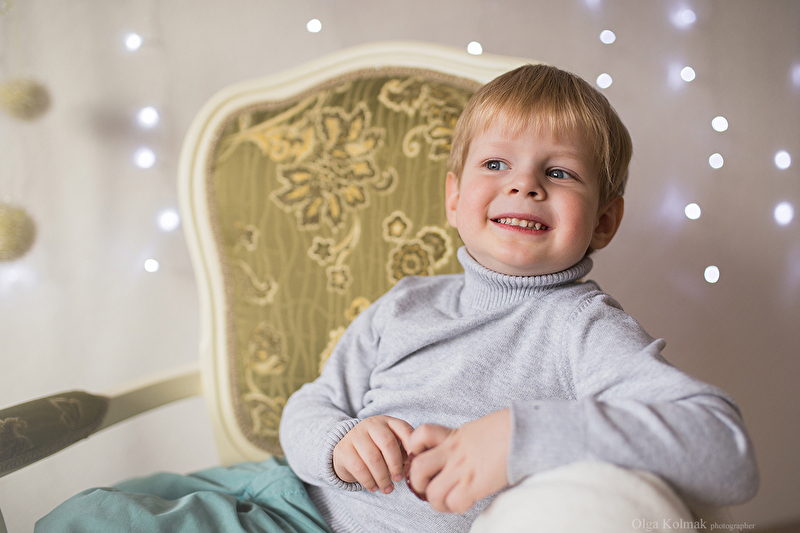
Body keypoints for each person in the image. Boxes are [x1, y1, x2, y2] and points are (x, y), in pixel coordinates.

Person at [277, 64, 759, 532]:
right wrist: (338, 444)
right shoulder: (406, 303)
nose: (524, 184)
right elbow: (311, 404)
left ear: (604, 222)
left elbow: (726, 451)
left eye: (560, 172)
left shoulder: (582, 329)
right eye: (495, 164)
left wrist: (519, 437)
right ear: (454, 198)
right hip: (291, 508)